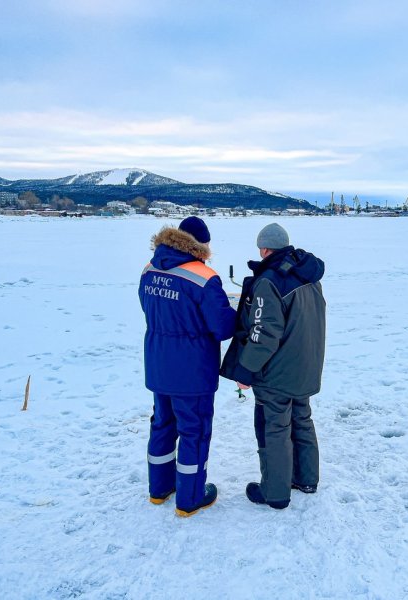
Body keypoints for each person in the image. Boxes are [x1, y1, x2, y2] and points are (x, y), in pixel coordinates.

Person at [220, 223, 326, 509]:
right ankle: (306, 478)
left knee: (274, 427)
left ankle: (274, 491)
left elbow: (263, 333)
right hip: (305, 365)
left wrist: (245, 371)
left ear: (265, 249)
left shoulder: (269, 280)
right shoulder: (307, 274)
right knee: (301, 418)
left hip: (277, 372)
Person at [139, 216, 236, 517]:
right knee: (194, 430)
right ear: (200, 244)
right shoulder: (203, 277)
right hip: (192, 371)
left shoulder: (150, 269)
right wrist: (237, 310)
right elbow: (221, 326)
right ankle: (190, 497)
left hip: (159, 363)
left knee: (162, 425)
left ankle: (160, 489)